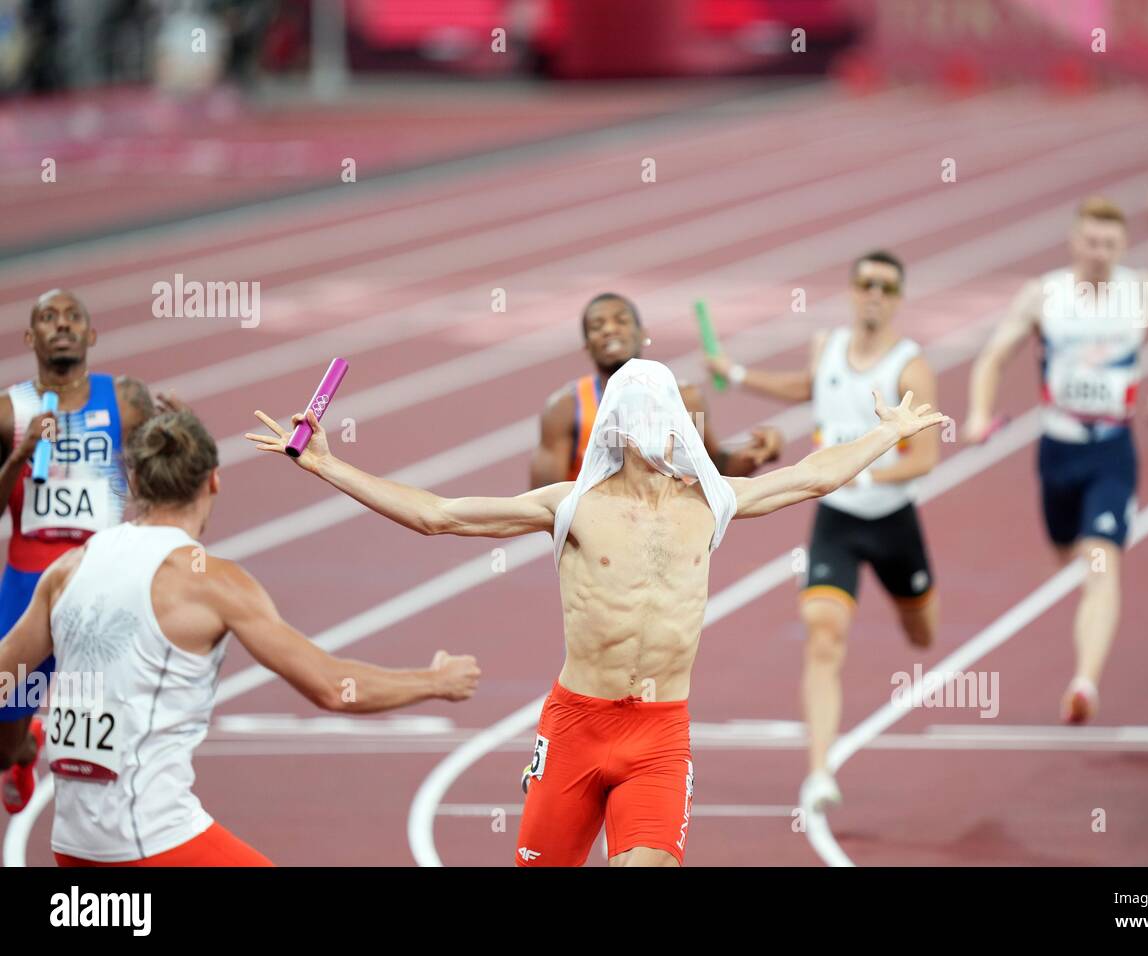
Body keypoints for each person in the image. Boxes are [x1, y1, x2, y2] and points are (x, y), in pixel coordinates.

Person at [245, 358, 947, 866]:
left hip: (660, 735)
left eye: (668, 411)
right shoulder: (573, 506)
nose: (661, 425)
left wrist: (890, 433)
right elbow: (437, 516)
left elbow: (813, 475)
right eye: (645, 412)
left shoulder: (712, 502)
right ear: (621, 425)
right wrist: (326, 466)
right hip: (577, 726)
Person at [0, 410, 481, 866]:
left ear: (133, 481)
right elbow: (332, 688)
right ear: (213, 480)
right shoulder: (212, 583)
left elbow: (7, 676)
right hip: (152, 838)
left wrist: (34, 738)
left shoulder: (68, 569)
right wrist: (435, 681)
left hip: (70, 842)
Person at [704, 250, 942, 812]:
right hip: (836, 521)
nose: (875, 294)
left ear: (898, 298)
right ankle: (819, 772)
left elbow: (926, 457)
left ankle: (915, 610)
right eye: (866, 283)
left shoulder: (910, 367)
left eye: (887, 286)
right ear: (853, 290)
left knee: (922, 635)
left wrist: (866, 471)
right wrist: (737, 374)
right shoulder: (828, 346)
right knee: (823, 634)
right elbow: (808, 387)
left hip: (892, 521)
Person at [965, 197, 1148, 724]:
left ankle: (1084, 682)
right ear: (1074, 240)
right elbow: (994, 356)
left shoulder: (1140, 291)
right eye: (1091, 241)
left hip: (1112, 450)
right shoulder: (1045, 296)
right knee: (1070, 555)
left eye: (1110, 243)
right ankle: (1089, 601)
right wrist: (977, 413)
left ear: (1123, 246)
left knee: (1102, 563)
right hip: (1057, 451)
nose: (1100, 252)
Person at [0, 289, 170, 814]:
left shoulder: (125, 400)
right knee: (3, 735)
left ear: (92, 335)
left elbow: (166, 466)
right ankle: (25, 747)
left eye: (74, 317)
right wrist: (20, 456)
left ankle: (120, 822)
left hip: (101, 581)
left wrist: (178, 434)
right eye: (48, 318)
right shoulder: (9, 411)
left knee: (114, 719)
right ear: (31, 338)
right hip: (27, 585)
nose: (62, 325)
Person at [529, 292, 783, 488]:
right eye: (597, 326)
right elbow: (544, 497)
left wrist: (757, 453)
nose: (609, 329)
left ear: (643, 335)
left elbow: (712, 470)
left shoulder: (685, 400)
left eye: (621, 320)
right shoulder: (566, 409)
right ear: (587, 345)